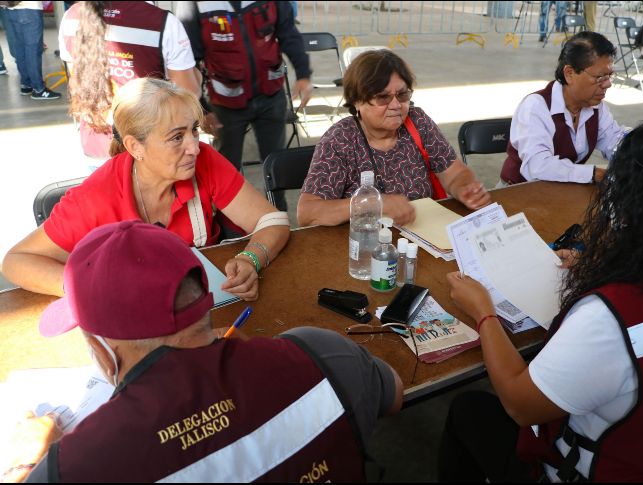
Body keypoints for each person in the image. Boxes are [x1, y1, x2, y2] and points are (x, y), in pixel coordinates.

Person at [439, 117, 643, 481]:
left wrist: (484, 313)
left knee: (469, 410)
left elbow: (519, 404)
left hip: (604, 471)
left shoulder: (609, 321)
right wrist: (601, 267)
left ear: (628, 204)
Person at [2, 220, 402, 482]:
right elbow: (393, 394)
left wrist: (28, 463)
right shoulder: (319, 352)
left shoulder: (75, 466)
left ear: (102, 350)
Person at [2, 77, 289, 301]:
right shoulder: (96, 197)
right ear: (134, 147)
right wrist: (89, 290)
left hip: (200, 309)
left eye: (193, 130)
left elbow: (272, 221)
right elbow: (16, 261)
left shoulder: (204, 160)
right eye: (176, 137)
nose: (193, 147)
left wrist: (251, 258)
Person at [297, 49, 491, 227]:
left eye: (402, 94)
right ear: (356, 101)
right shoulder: (341, 140)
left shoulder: (417, 121)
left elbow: (454, 172)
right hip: (365, 247)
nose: (396, 105)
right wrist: (369, 204)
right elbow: (308, 213)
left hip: (424, 235)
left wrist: (465, 189)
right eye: (383, 97)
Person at [176, 1, 313, 177]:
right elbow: (188, 59)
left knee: (278, 167)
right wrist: (202, 109)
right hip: (225, 103)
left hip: (271, 96)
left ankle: (277, 205)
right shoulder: (194, 4)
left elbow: (288, 33)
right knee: (225, 172)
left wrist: (303, 74)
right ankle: (224, 206)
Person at [58, 0, 202, 166]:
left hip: (95, 147)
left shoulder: (71, 16)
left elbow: (76, 80)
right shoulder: (163, 22)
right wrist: (198, 76)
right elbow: (188, 97)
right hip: (147, 153)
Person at [500, 31, 625, 186]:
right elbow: (538, 166)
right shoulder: (536, 107)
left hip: (563, 189)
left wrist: (641, 146)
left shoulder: (595, 107)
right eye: (599, 77)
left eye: (609, 76)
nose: (607, 84)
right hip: (519, 191)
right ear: (570, 73)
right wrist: (592, 173)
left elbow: (615, 142)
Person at [4, 1, 60, 99]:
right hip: (29, 9)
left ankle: (26, 84)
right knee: (33, 50)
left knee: (20, 47)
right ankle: (39, 89)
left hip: (11, 9)